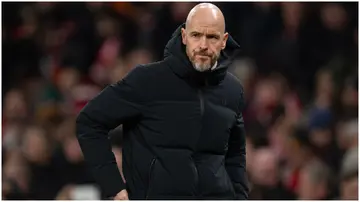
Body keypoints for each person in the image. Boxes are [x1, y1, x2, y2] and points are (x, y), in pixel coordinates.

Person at [76, 3, 249, 200]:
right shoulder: (147, 80)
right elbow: (89, 122)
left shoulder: (233, 90)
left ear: (224, 40)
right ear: (184, 36)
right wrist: (114, 187)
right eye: (196, 35)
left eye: (212, 37)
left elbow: (235, 156)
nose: (203, 45)